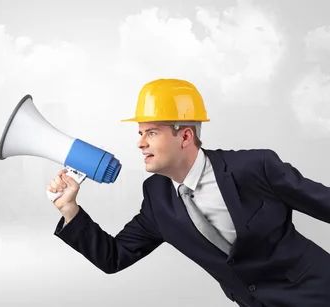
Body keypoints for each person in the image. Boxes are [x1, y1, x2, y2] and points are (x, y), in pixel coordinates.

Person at [47, 78, 330, 307]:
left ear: (185, 136)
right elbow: (114, 257)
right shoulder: (157, 198)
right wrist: (69, 209)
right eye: (140, 133)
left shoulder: (256, 167)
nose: (140, 144)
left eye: (152, 133)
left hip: (318, 291)